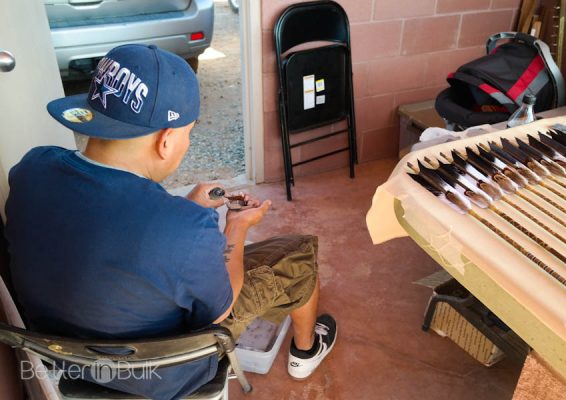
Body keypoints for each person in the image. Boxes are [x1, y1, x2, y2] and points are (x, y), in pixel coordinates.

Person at [4, 44, 336, 400]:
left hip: (66, 360)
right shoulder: (187, 230)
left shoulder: (32, 168)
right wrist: (236, 227)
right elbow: (220, 308)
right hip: (164, 375)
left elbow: (105, 222)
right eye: (188, 133)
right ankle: (306, 351)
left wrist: (187, 208)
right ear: (166, 141)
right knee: (298, 255)